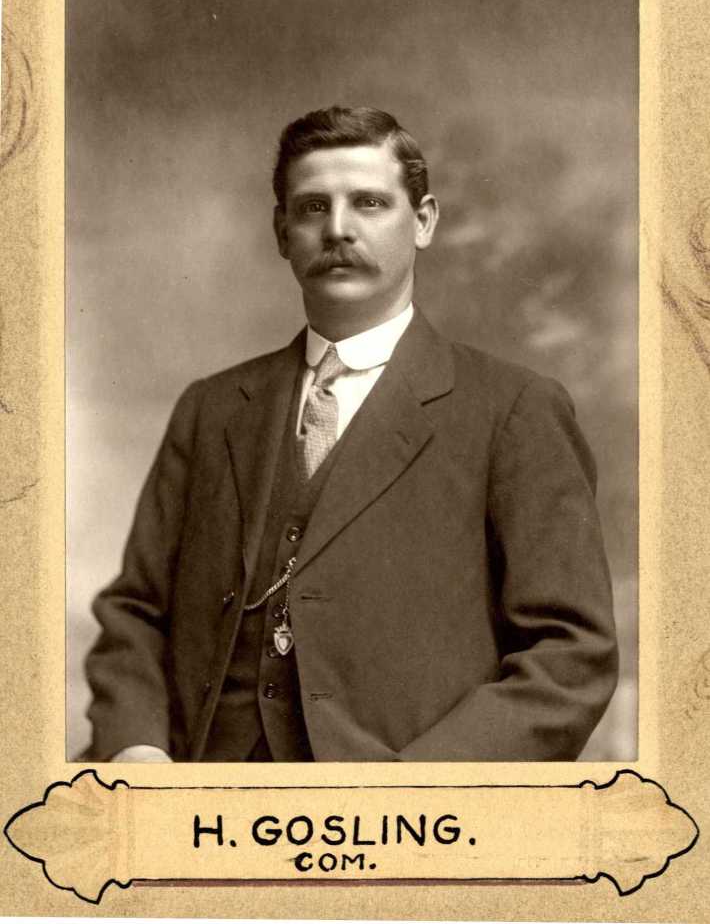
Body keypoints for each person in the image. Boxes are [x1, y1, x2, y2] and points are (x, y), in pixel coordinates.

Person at [84, 105, 618, 763]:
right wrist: (137, 747)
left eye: (369, 203)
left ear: (423, 221)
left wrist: (411, 792)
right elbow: (136, 612)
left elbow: (570, 658)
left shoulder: (514, 410)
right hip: (200, 808)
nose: (337, 229)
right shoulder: (213, 408)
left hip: (408, 826)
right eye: (311, 208)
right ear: (282, 231)